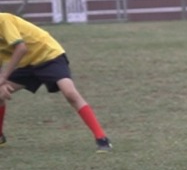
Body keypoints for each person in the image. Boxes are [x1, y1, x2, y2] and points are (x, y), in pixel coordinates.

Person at [0, 11, 111, 151]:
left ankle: (102, 138)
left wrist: (3, 78)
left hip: (49, 56)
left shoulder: (3, 20)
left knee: (70, 93)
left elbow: (21, 48)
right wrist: (2, 83)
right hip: (27, 65)